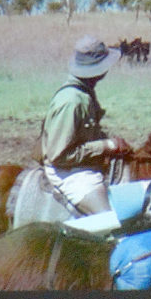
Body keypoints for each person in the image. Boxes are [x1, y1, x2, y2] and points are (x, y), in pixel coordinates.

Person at [41, 35, 132, 216]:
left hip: (81, 163)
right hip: (67, 171)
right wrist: (106, 146)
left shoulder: (85, 93)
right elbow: (59, 155)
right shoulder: (71, 101)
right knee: (109, 221)